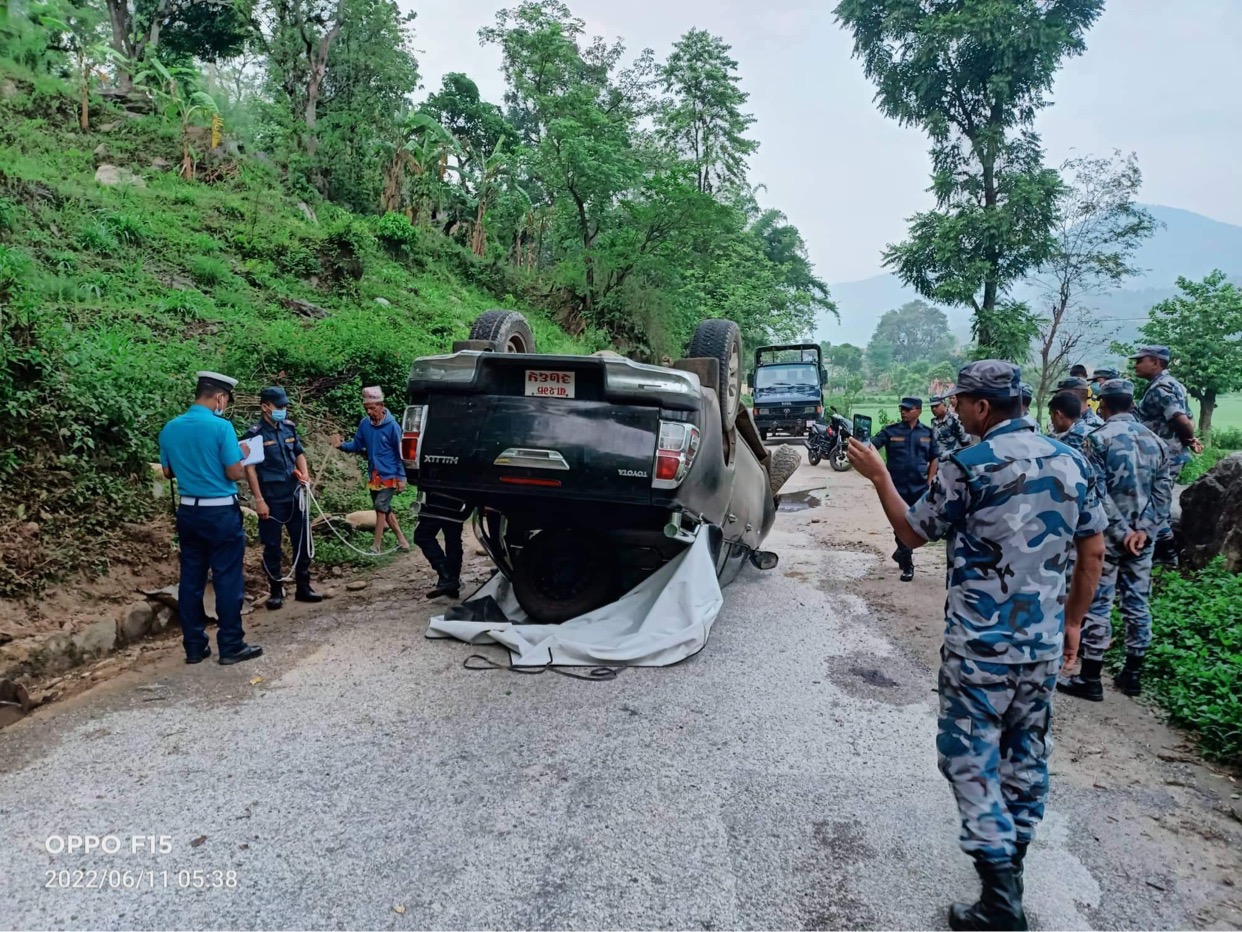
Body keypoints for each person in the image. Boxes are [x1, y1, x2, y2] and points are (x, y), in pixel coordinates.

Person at [847, 360, 1106, 932]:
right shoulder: (1073, 461)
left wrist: (878, 478)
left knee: (967, 756)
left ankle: (999, 898)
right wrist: (1073, 624)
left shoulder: (968, 465)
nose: (957, 409)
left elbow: (914, 532)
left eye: (962, 400)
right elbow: (1094, 552)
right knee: (1026, 755)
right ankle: (1010, 872)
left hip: (980, 646)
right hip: (1039, 646)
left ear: (982, 408)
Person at [1060, 379, 1172, 702]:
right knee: (1137, 602)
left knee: (1099, 602)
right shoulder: (1156, 442)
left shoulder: (1096, 440)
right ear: (1131, 404)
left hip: (1108, 538)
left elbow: (1096, 493)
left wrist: (1122, 533)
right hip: (1142, 539)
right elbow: (1163, 495)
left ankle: (1091, 676)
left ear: (1103, 405)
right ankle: (1133, 673)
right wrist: (1144, 531)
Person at [158, 372, 263, 666]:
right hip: (219, 513)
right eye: (225, 400)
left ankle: (194, 647)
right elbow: (233, 472)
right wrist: (242, 455)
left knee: (191, 579)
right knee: (227, 577)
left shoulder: (170, 428)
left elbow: (168, 473)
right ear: (219, 397)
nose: (225, 405)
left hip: (188, 512)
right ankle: (230, 645)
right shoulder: (221, 427)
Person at [243, 386, 323, 610]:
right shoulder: (254, 434)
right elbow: (250, 470)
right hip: (271, 498)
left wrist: (305, 475)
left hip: (295, 494)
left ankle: (304, 588)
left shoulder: (289, 428)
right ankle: (276, 591)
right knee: (272, 546)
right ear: (265, 407)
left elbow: (299, 453)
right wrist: (258, 500)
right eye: (279, 407)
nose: (283, 410)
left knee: (302, 541)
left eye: (285, 406)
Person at [1131, 345, 1203, 566]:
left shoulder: (1161, 388)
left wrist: (1188, 438)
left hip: (1163, 457)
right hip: (1168, 453)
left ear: (1155, 362)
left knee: (1154, 503)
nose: (1136, 364)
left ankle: (1167, 555)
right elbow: (1186, 418)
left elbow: (1180, 419)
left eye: (1140, 360)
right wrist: (1188, 439)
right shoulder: (1172, 384)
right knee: (1156, 501)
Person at [333, 386, 410, 553]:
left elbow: (400, 453)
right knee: (384, 508)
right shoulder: (364, 424)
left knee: (380, 505)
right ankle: (403, 541)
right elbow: (357, 444)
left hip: (389, 474)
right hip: (373, 474)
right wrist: (341, 446)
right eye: (367, 408)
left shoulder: (392, 426)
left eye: (373, 408)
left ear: (381, 406)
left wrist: (402, 477)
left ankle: (376, 545)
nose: (369, 412)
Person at [871, 397, 939, 582]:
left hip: (919, 486)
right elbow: (871, 446)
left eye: (908, 409)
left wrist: (931, 478)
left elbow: (935, 456)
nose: (904, 412)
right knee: (900, 524)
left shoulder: (927, 433)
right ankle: (908, 563)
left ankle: (901, 552)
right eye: (902, 409)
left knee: (917, 524)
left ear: (918, 410)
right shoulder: (891, 431)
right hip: (896, 486)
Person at [413, 493, 468, 599]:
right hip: (460, 496)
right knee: (453, 540)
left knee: (422, 535)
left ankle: (447, 577)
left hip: (437, 494)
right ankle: (452, 581)